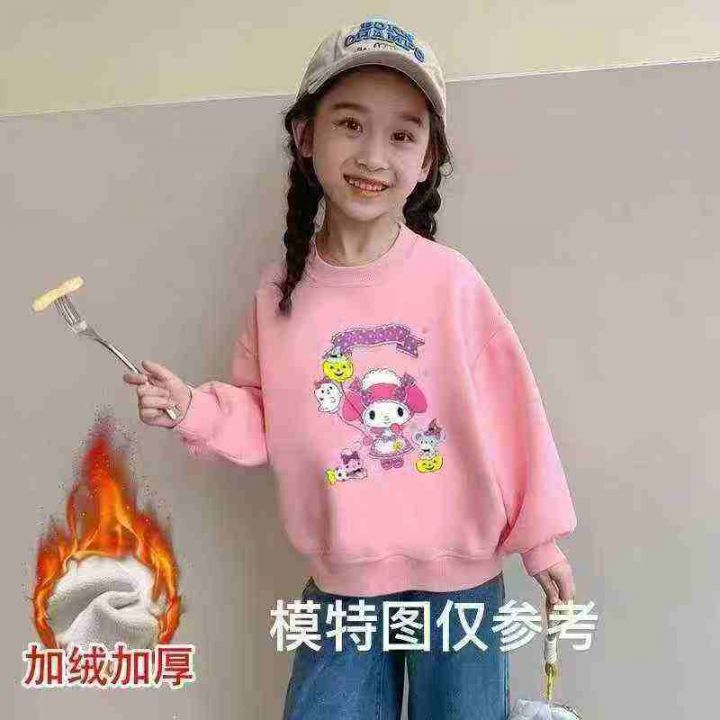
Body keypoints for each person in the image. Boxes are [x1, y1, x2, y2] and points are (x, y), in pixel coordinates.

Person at [123, 16, 577, 720]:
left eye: (402, 135)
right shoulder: (278, 297)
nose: (373, 155)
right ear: (307, 137)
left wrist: (539, 541)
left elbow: (513, 414)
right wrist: (194, 409)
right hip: (342, 591)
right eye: (350, 124)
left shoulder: (452, 284)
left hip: (462, 585)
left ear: (427, 160)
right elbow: (262, 415)